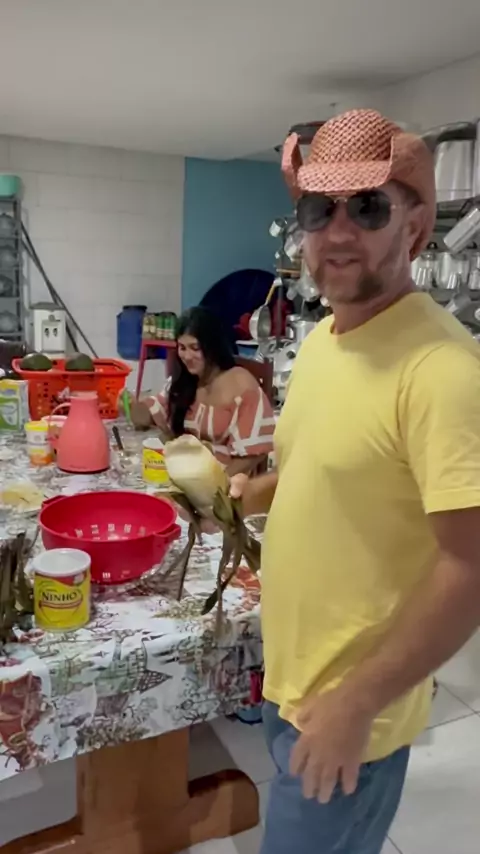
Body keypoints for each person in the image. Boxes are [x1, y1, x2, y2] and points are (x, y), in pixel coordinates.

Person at [230, 109, 480, 853]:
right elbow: (322, 470)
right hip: (295, 678)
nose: (337, 232)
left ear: (415, 226)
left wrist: (355, 703)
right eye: (318, 209)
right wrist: (251, 494)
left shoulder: (443, 372)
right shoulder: (326, 341)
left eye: (367, 207)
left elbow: (469, 568)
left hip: (350, 712)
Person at [129, 306, 275, 476]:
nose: (187, 356)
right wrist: (132, 405)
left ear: (212, 347)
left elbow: (255, 454)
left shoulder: (241, 384)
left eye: (195, 348)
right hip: (184, 476)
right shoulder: (182, 381)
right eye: (182, 348)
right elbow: (150, 415)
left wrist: (217, 483)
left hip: (227, 483)